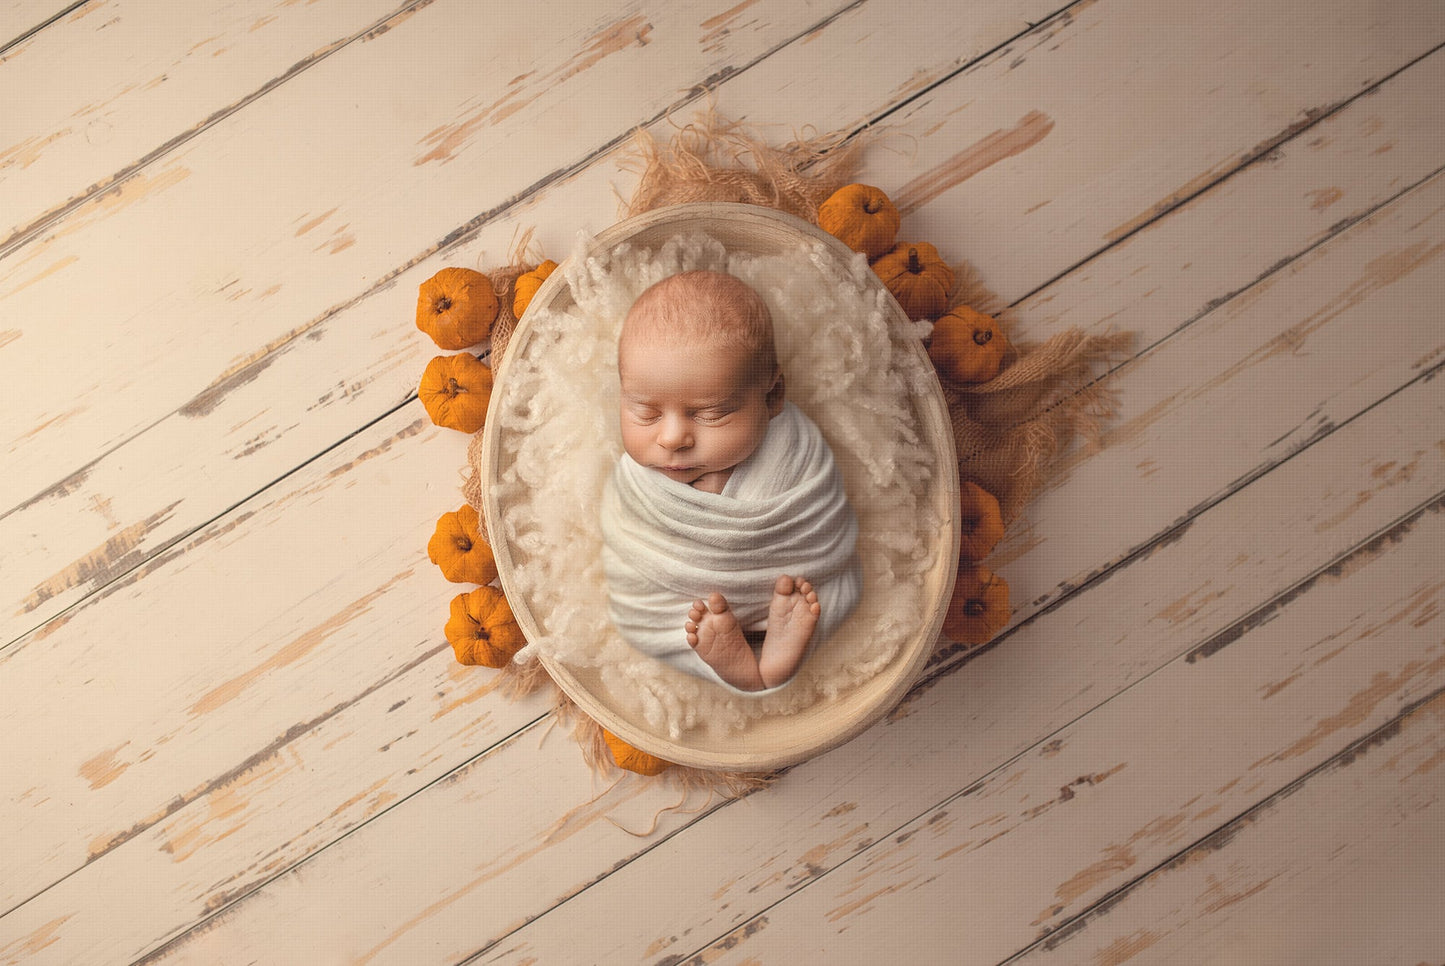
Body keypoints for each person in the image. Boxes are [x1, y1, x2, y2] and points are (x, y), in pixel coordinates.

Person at [599, 270, 861, 693]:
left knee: (827, 593)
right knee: (646, 620)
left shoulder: (793, 446)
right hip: (678, 603)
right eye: (645, 412)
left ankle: (783, 647)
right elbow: (628, 543)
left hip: (793, 585)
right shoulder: (637, 482)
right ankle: (730, 662)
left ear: (773, 396)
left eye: (711, 413)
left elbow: (822, 518)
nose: (671, 438)